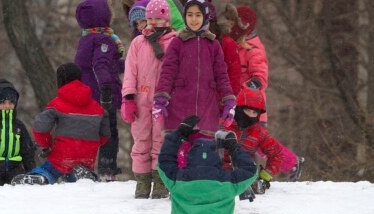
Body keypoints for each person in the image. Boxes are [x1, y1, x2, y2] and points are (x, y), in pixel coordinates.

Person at [224, 5, 304, 181]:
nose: (230, 27)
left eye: (233, 23)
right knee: (240, 141)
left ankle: (291, 162)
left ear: (243, 25)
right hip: (236, 107)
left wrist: (247, 90)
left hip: (252, 109)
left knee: (260, 144)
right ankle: (240, 174)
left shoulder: (254, 48)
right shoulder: (232, 44)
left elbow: (260, 76)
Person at [11, 63, 109, 185]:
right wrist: (90, 144)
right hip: (87, 155)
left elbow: (40, 127)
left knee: (49, 169)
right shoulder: (97, 108)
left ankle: (40, 177)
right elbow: (105, 135)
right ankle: (84, 176)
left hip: (63, 154)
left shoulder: (57, 104)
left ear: (60, 81)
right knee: (77, 174)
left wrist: (47, 145)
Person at [122, 0, 178, 199]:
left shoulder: (174, 42)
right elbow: (130, 72)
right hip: (141, 98)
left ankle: (161, 180)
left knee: (161, 140)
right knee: (141, 140)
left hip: (164, 100)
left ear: (167, 19)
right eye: (150, 18)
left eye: (158, 18)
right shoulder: (138, 43)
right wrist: (128, 97)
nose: (153, 22)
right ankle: (143, 181)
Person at [153, 0, 235, 136]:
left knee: (202, 154)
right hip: (179, 106)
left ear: (205, 17)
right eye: (190, 15)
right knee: (178, 154)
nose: (194, 19)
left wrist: (228, 100)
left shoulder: (213, 45)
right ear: (185, 17)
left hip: (206, 108)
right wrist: (161, 97)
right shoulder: (177, 42)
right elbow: (167, 72)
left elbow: (222, 75)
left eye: (198, 15)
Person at [74, 0, 124, 181]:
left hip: (86, 96)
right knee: (109, 133)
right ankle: (107, 168)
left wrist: (129, 65)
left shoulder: (86, 39)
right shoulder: (103, 39)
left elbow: (102, 64)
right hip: (101, 96)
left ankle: (82, 166)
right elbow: (100, 65)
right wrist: (106, 89)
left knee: (89, 133)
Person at [223, 86, 284, 195]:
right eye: (247, 110)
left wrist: (265, 176)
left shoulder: (259, 132)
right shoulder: (223, 124)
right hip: (216, 173)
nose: (250, 115)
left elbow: (277, 153)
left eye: (254, 113)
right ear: (239, 108)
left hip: (242, 175)